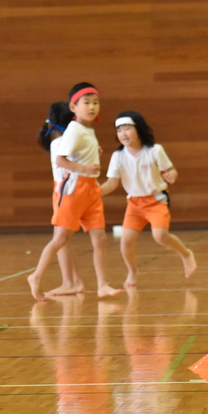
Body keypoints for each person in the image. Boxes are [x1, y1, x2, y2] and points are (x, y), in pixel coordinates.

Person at [27, 83, 122, 302]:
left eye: (95, 102)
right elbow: (61, 159)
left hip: (90, 190)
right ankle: (36, 275)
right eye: (86, 102)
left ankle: (102, 285)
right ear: (73, 107)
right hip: (72, 190)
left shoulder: (86, 130)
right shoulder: (73, 131)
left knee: (100, 239)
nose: (92, 107)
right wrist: (84, 168)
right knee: (60, 239)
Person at [99, 111, 197, 287]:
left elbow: (171, 169)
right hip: (134, 204)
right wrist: (94, 192)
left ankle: (186, 254)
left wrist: (171, 176)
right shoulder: (118, 156)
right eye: (119, 130)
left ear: (139, 129)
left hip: (156, 200)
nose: (123, 133)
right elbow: (111, 183)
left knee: (160, 236)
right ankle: (132, 271)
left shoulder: (154, 150)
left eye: (127, 128)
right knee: (126, 243)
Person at [38, 101, 84, 296]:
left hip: (67, 192)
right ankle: (75, 282)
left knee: (60, 239)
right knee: (63, 239)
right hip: (68, 190)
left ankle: (68, 283)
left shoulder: (61, 143)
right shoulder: (66, 142)